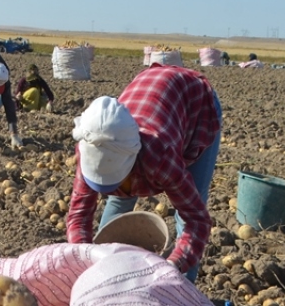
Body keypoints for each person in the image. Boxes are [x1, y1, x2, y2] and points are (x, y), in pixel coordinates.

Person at [66, 64, 221, 283]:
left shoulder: (160, 158)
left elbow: (197, 221)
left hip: (193, 102)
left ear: (133, 159)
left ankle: (183, 289)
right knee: (119, 202)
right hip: (147, 91)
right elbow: (78, 218)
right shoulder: (91, 146)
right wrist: (86, 265)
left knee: (186, 213)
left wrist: (172, 266)